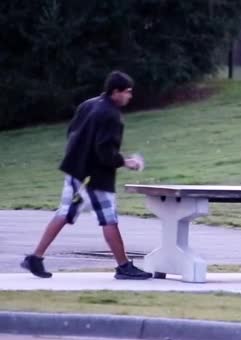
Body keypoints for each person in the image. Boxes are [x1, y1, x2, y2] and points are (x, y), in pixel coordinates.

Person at [20, 71, 152, 280]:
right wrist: (127, 162)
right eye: (127, 92)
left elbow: (72, 132)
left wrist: (80, 157)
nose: (130, 96)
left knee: (65, 213)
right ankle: (124, 267)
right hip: (95, 178)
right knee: (108, 219)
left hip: (76, 171)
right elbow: (104, 152)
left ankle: (35, 258)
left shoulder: (88, 104)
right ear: (115, 92)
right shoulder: (112, 116)